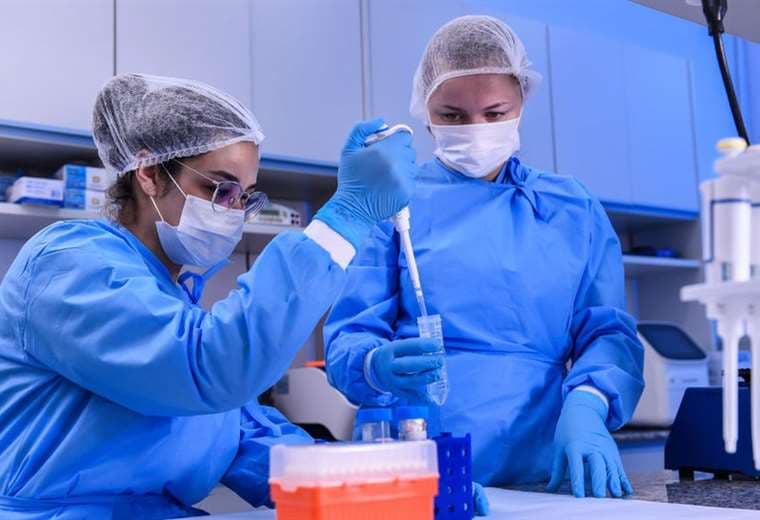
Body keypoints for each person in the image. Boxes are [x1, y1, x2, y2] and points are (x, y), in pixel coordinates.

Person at [0, 73, 422, 519]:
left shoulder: (170, 296)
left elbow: (239, 433)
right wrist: (346, 216)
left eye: (244, 196)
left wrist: (370, 482)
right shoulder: (66, 263)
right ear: (149, 173)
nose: (233, 211)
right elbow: (205, 367)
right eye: (219, 188)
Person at [323, 15, 645, 504]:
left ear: (521, 105)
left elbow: (609, 333)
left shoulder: (571, 207)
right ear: (425, 111)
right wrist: (372, 365)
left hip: (543, 465)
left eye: (495, 113)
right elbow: (350, 332)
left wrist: (589, 402)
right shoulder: (393, 202)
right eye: (453, 116)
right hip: (417, 461)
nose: (476, 129)